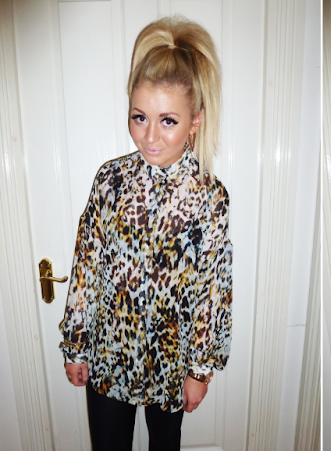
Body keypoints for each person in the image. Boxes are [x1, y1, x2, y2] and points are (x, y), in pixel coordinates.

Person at [59, 16, 232, 451]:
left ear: (195, 120)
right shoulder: (110, 180)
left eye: (167, 120)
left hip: (171, 363)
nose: (150, 136)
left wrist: (199, 370)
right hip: (108, 354)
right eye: (139, 117)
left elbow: (213, 290)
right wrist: (76, 345)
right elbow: (86, 266)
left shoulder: (210, 197)